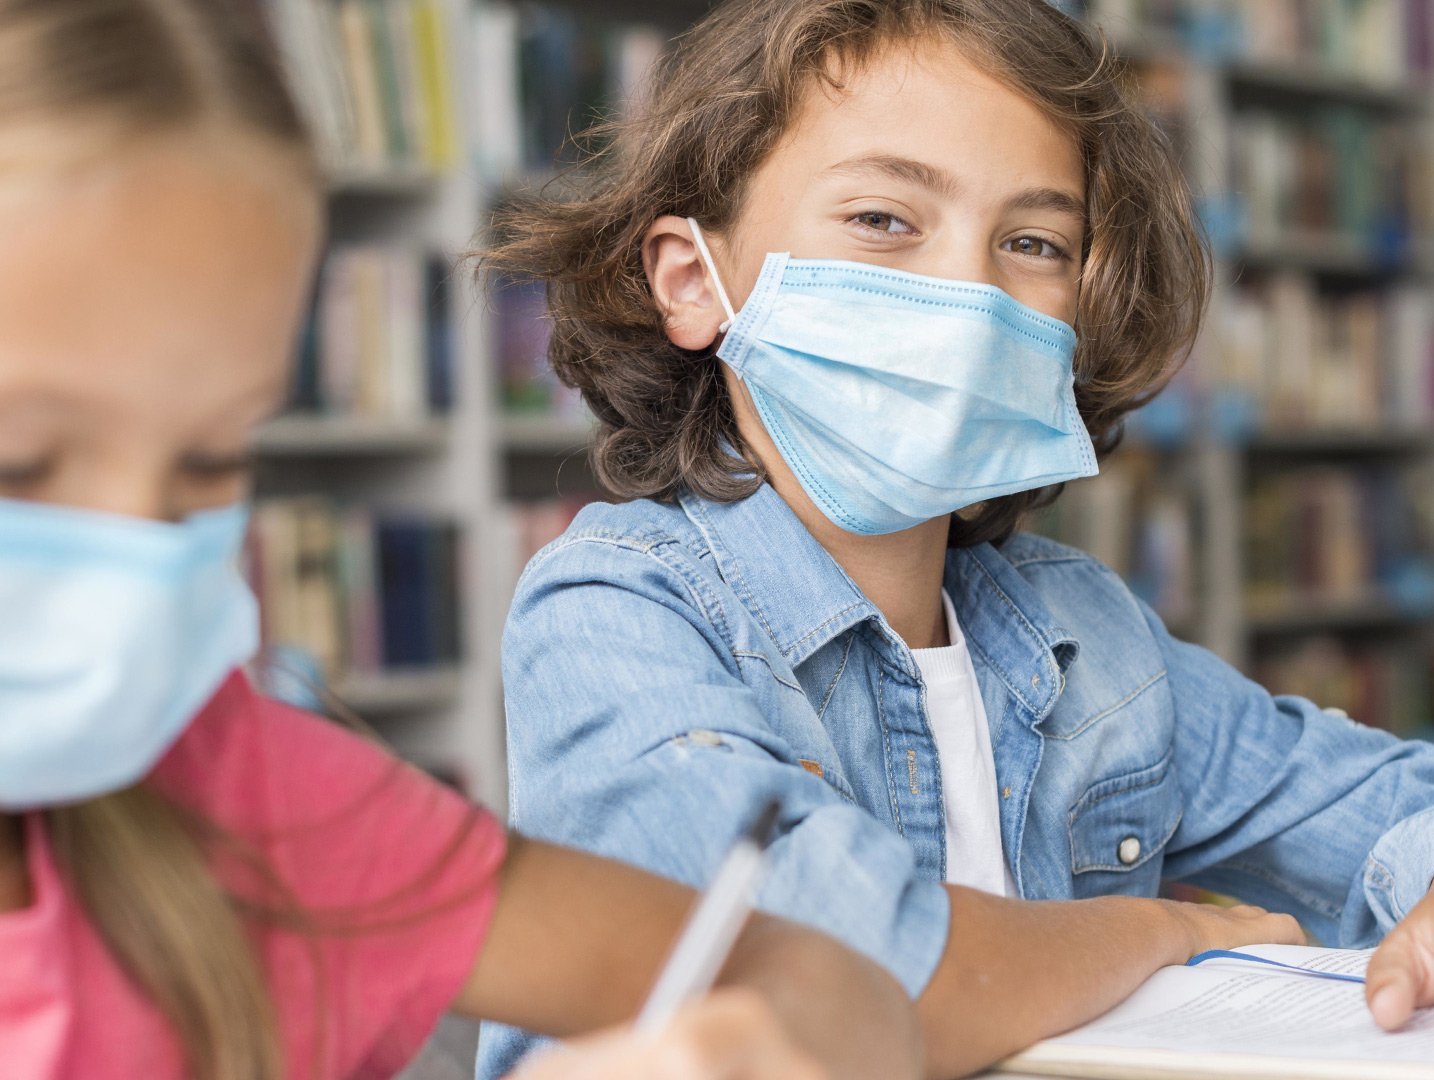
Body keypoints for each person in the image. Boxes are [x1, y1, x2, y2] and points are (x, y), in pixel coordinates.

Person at [479, 1, 1434, 1077]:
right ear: (695, 280)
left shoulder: (1077, 630)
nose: (968, 296)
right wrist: (1166, 932)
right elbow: (843, 970)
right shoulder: (614, 608)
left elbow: (1378, 804)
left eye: (1032, 243)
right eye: (885, 220)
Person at [0, 2, 922, 1078]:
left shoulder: (236, 797)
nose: (131, 558)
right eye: (19, 464)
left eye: (212, 461)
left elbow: (825, 984)